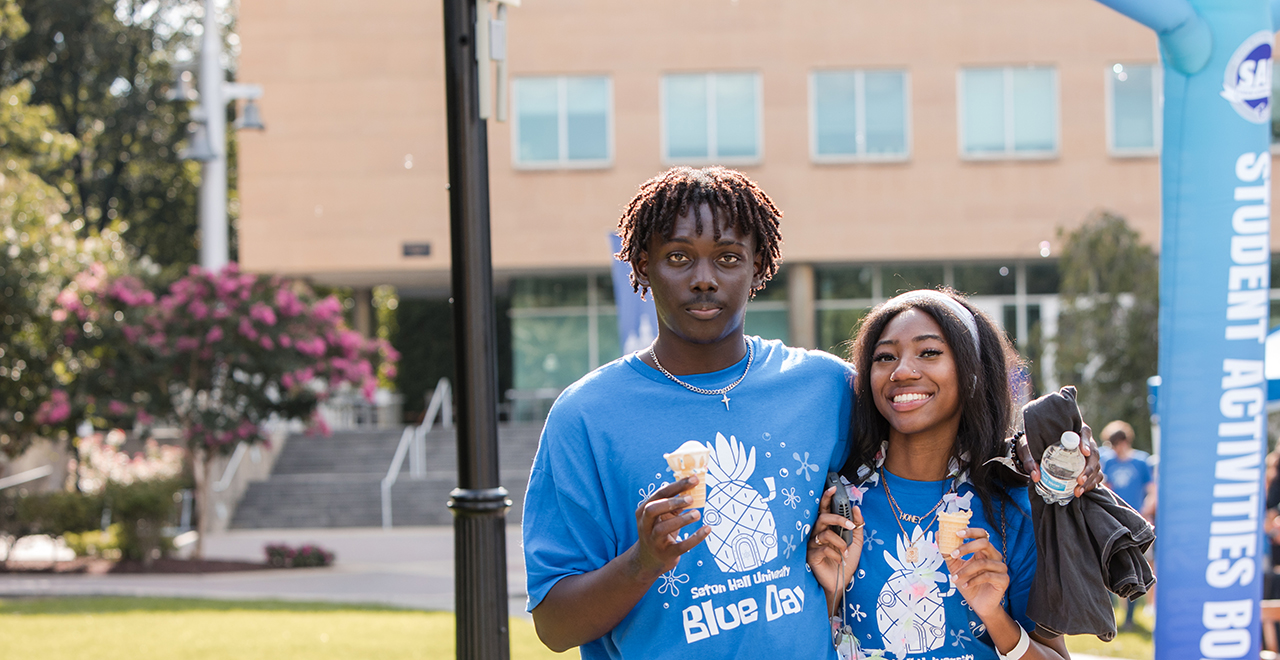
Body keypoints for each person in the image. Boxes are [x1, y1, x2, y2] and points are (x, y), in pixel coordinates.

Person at [522, 166, 862, 659]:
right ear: (642, 265)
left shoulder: (825, 387)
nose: (704, 280)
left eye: (727, 258)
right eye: (678, 257)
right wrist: (643, 562)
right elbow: (554, 626)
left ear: (758, 263)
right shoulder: (586, 417)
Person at [808, 289, 1075, 660]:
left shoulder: (1012, 510)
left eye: (929, 352)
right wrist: (831, 591)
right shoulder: (837, 509)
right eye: (884, 357)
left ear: (973, 371)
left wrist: (994, 616)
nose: (902, 371)